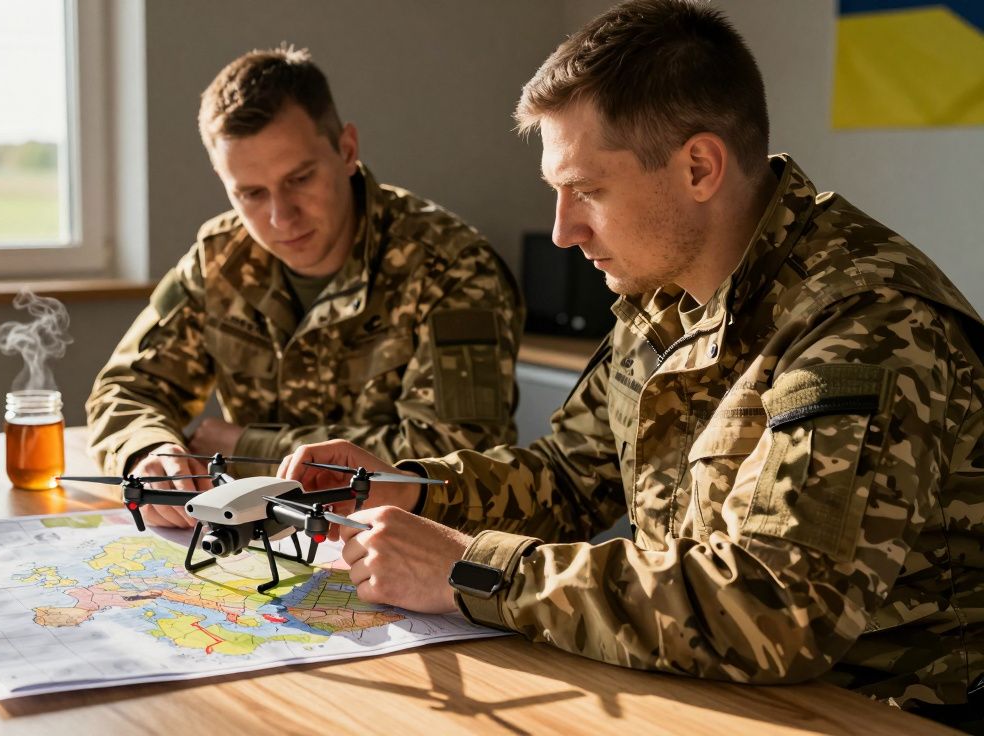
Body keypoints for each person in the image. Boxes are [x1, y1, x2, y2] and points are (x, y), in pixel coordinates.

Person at [281, 1, 983, 727]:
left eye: (586, 190)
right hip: (702, 691)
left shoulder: (865, 321)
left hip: (873, 714)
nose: (561, 230)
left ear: (700, 167)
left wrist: (470, 567)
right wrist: (409, 491)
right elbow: (571, 478)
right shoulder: (661, 296)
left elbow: (777, 607)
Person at [87, 46, 523, 527]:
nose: (280, 216)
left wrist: (247, 447)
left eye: (300, 178)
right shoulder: (219, 260)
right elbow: (126, 388)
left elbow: (454, 454)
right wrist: (150, 452)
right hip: (261, 544)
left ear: (347, 150)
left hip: (410, 552)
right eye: (250, 193)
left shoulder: (452, 266)